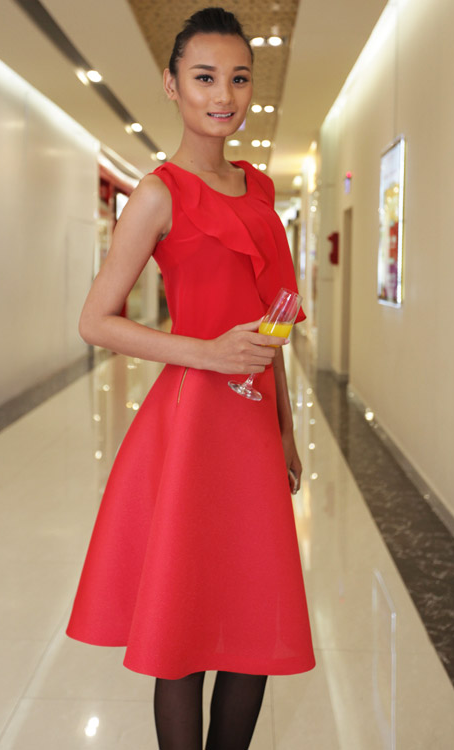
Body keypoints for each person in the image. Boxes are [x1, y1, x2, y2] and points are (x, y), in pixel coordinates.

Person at [66, 7, 315, 748]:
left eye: (239, 78)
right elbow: (95, 320)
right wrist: (203, 351)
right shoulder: (158, 193)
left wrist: (285, 431)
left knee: (253, 615)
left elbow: (274, 329)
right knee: (184, 619)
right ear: (172, 85)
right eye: (205, 77)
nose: (224, 95)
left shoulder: (261, 192)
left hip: (252, 427)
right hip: (191, 426)